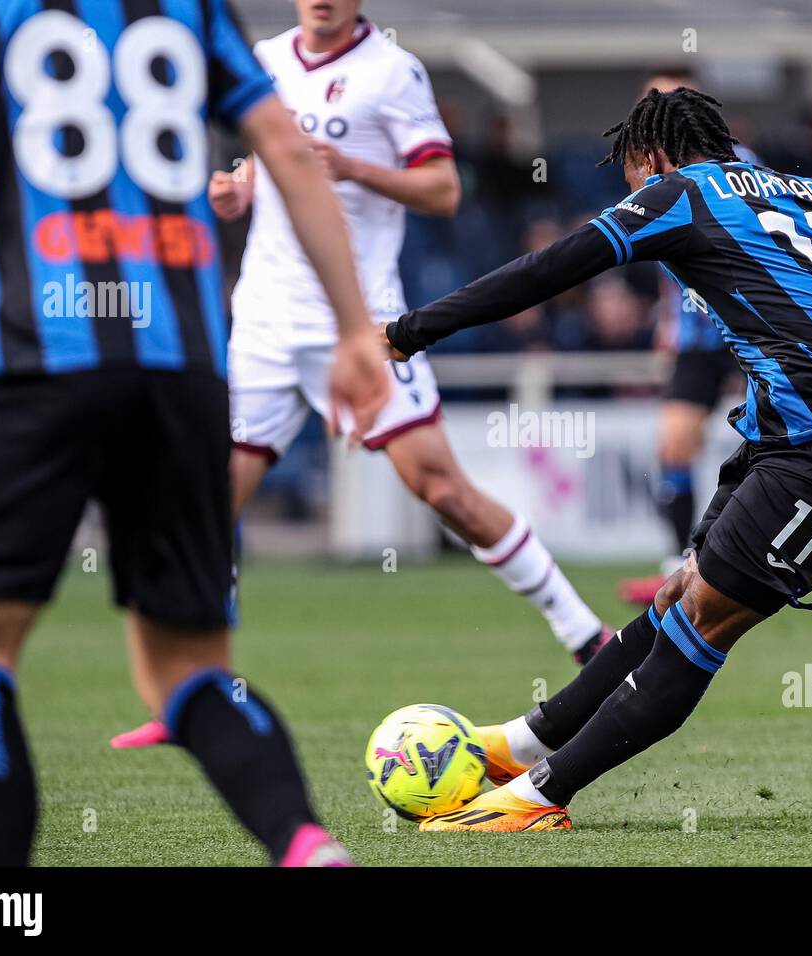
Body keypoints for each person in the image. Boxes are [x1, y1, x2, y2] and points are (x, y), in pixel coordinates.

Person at [381, 87, 812, 831]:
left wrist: (408, 331)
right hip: (785, 444)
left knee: (701, 621)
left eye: (631, 169)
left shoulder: (675, 195)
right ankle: (520, 744)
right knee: (675, 597)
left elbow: (547, 269)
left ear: (651, 157)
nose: (633, 188)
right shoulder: (811, 192)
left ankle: (539, 797)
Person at [0, 0, 391, 865]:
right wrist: (355, 329)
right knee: (188, 666)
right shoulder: (187, 4)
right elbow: (286, 151)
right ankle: (307, 847)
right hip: (184, 369)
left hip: (31, 365)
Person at [111, 3, 609, 760]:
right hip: (268, 327)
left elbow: (443, 189)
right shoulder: (268, 58)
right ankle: (196, 695)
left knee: (444, 491)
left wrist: (353, 169)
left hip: (363, 324)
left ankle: (585, 635)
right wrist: (243, 186)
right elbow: (272, 153)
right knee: (211, 504)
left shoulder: (392, 72)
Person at [619, 68, 757, 607]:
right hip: (695, 336)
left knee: (795, 437)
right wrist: (667, 322)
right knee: (674, 444)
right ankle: (675, 568)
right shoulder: (647, 169)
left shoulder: (738, 161)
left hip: (746, 324)